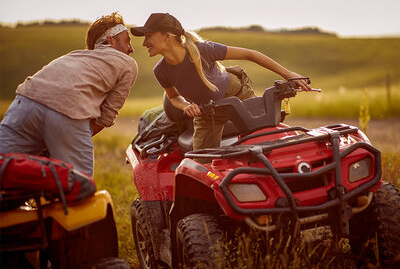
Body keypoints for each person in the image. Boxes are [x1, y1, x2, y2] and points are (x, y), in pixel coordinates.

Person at [131, 13, 311, 161]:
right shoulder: (161, 71)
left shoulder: (203, 50)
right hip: (207, 113)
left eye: (148, 36)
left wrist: (288, 74)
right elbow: (173, 97)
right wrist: (186, 106)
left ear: (167, 36)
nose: (144, 42)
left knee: (266, 142)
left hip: (238, 96)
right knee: (200, 161)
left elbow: (250, 54)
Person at [0, 12, 138, 176]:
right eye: (127, 41)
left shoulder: (73, 56)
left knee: (3, 166)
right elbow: (106, 116)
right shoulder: (128, 63)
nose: (131, 48)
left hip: (24, 102)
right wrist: (64, 138)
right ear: (110, 41)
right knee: (80, 186)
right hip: (67, 110)